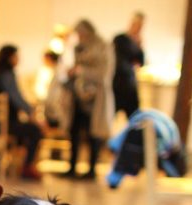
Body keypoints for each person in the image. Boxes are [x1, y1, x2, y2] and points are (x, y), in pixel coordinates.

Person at [59, 19, 114, 180]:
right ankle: (72, 167)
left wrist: (81, 70)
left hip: (96, 97)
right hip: (78, 95)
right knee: (74, 131)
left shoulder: (102, 47)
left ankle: (91, 170)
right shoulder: (79, 47)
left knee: (93, 134)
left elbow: (104, 74)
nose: (79, 36)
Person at [0, 45, 44, 181]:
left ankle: (15, 164)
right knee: (35, 130)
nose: (18, 59)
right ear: (10, 58)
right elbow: (16, 98)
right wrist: (31, 112)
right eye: (16, 56)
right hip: (5, 125)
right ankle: (27, 167)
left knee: (26, 130)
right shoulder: (7, 75)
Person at [112, 12, 145, 120]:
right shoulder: (120, 39)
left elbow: (140, 62)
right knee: (110, 114)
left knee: (135, 117)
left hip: (130, 84)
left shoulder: (137, 43)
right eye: (136, 25)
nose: (138, 29)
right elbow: (118, 60)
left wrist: (139, 46)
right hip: (117, 83)